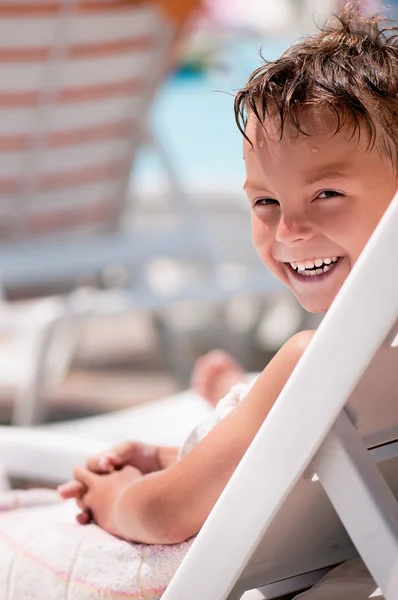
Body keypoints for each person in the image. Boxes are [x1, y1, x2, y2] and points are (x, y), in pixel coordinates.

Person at [1, 3, 396, 598]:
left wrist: (112, 495)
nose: (288, 228)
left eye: (328, 192)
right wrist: (169, 454)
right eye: (264, 203)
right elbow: (283, 459)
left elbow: (161, 517)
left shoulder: (310, 364)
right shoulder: (372, 359)